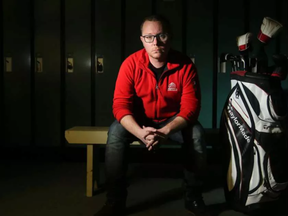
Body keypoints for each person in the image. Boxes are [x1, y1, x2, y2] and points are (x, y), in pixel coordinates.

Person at [94, 14, 210, 216]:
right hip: (139, 121)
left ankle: (194, 197)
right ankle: (115, 201)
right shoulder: (130, 64)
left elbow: (191, 108)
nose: (155, 42)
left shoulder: (185, 65)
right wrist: (139, 132)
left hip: (172, 121)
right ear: (142, 40)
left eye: (161, 35)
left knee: (197, 135)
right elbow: (120, 106)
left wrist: (165, 130)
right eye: (149, 37)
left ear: (170, 37)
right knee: (115, 133)